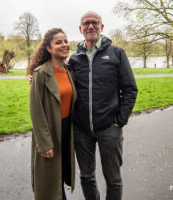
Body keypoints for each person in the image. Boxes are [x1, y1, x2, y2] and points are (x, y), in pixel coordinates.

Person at [67, 11, 138, 200]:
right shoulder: (74, 58)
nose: (91, 26)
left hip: (109, 128)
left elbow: (130, 89)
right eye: (86, 23)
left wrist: (120, 120)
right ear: (80, 29)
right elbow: (57, 77)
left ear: (102, 27)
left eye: (95, 22)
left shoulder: (116, 53)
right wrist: (36, 75)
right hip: (81, 130)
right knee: (86, 177)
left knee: (113, 179)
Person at [28, 28, 77, 200]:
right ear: (48, 48)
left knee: (61, 174)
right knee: (49, 184)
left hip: (66, 131)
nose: (64, 45)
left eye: (65, 41)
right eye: (58, 42)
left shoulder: (69, 71)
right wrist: (44, 144)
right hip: (49, 132)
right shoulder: (40, 74)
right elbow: (36, 111)